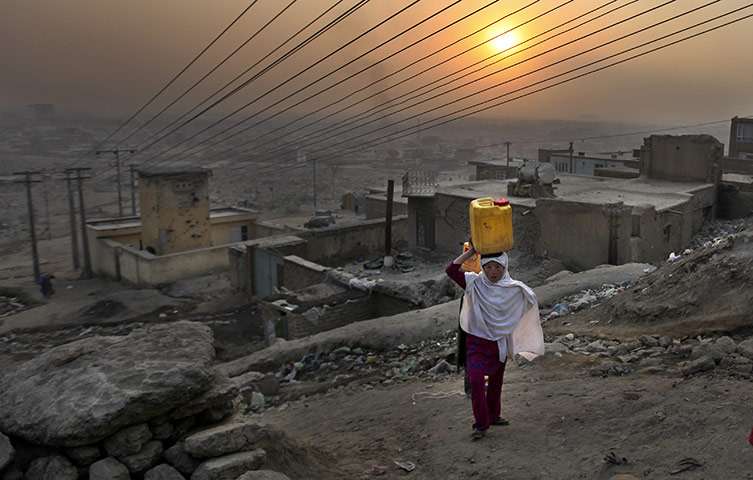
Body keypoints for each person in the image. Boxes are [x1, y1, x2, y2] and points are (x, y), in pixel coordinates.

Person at [446, 241, 543, 439]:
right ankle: (481, 424)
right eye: (488, 267)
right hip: (476, 340)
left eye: (497, 267)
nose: (493, 272)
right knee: (475, 379)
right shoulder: (474, 282)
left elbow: (529, 300)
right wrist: (472, 252)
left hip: (499, 341)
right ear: (483, 267)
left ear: (504, 267)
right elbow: (451, 269)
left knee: (496, 382)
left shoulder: (512, 288)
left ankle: (493, 415)